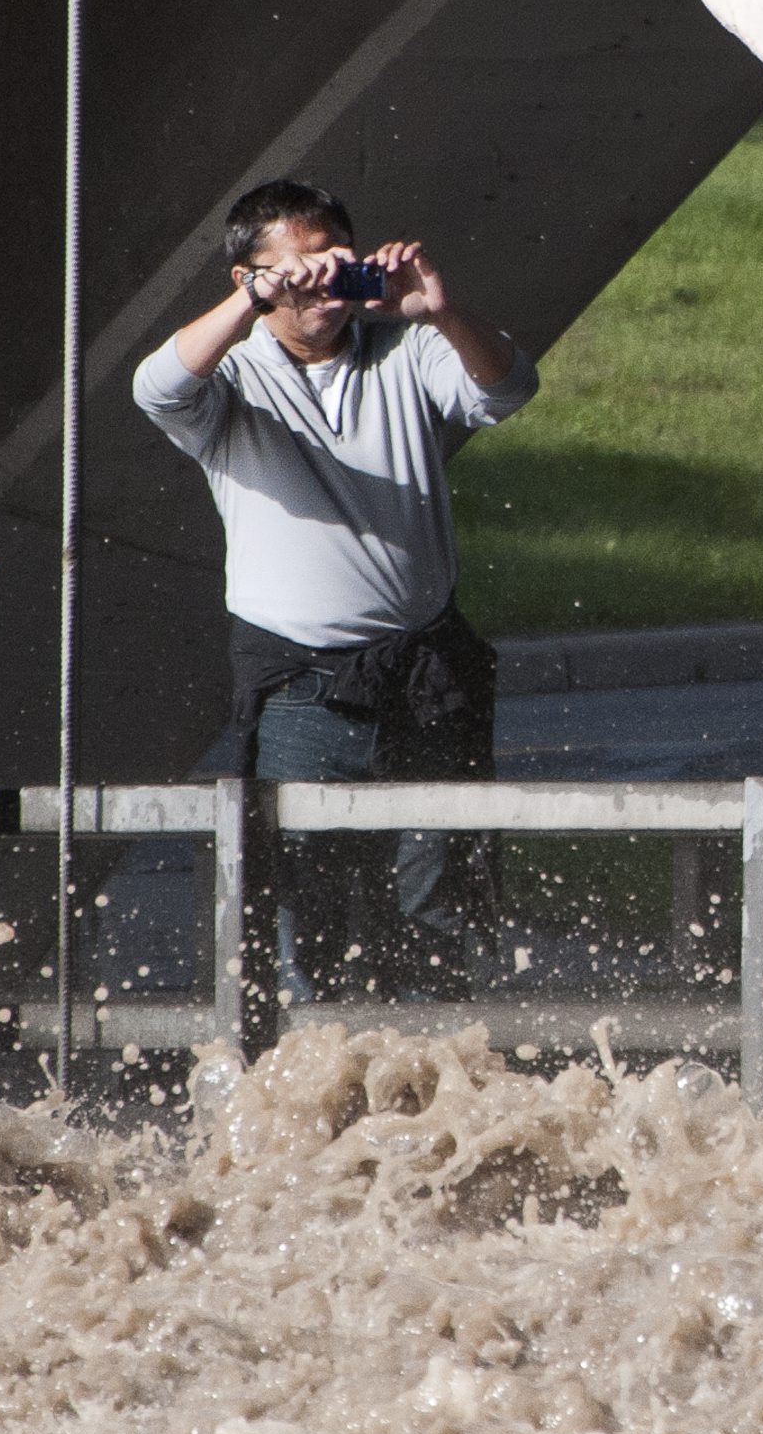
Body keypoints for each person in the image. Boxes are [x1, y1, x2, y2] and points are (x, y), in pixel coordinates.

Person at [132, 177, 533, 995]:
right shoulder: (232, 379)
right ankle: (314, 1087)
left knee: (437, 898)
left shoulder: (406, 348)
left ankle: (440, 1079)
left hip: (426, 673)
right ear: (249, 276)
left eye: (332, 262)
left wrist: (439, 311)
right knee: (304, 900)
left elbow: (507, 389)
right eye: (298, 269)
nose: (321, 286)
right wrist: (251, 303)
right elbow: (156, 387)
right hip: (299, 688)